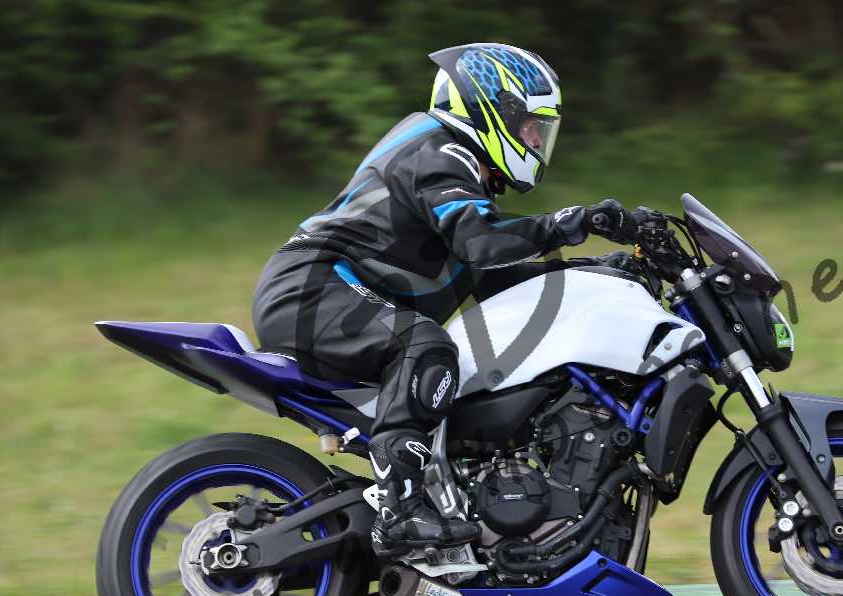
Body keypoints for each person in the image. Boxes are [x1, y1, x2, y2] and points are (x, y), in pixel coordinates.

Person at [251, 43, 638, 555]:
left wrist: (599, 271)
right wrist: (573, 223)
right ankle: (400, 508)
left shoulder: (460, 175)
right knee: (425, 346)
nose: (536, 141)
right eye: (529, 127)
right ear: (490, 111)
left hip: (322, 291)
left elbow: (494, 273)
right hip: (310, 288)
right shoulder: (439, 151)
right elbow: (483, 244)